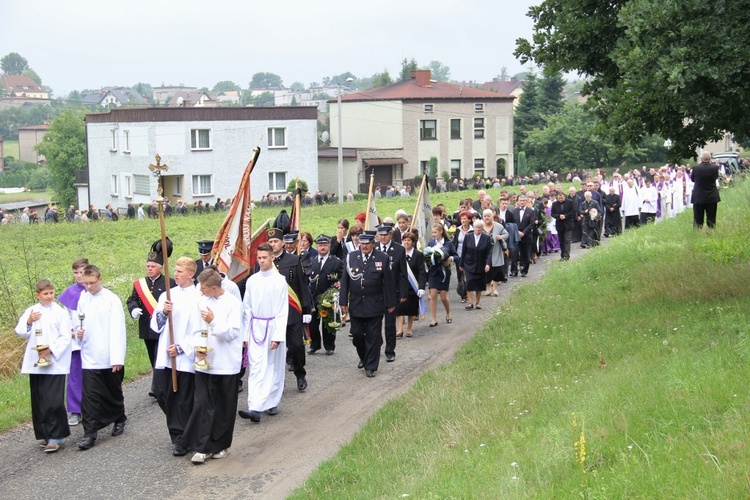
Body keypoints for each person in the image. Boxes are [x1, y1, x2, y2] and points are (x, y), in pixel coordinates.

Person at [182, 268, 242, 463]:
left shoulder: (233, 303)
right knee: (202, 404)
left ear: (215, 287)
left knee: (224, 406)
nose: (201, 291)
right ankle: (202, 447)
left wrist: (214, 321)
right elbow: (192, 330)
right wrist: (195, 348)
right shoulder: (201, 302)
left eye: (205, 288)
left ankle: (221, 444)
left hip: (225, 363)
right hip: (204, 362)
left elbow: (232, 333)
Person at [150, 257, 202, 457]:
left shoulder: (198, 297)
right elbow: (155, 326)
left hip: (184, 357)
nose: (176, 274)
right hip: (165, 355)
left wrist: (180, 348)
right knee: (163, 394)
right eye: (176, 271)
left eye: (180, 271)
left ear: (191, 274)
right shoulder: (166, 295)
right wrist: (163, 312)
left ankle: (181, 438)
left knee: (182, 399)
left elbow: (200, 330)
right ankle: (183, 429)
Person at [15, 279, 72, 453]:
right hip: (36, 362)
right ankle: (45, 434)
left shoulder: (60, 312)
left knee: (53, 401)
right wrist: (29, 322)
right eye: (45, 294)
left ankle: (56, 436)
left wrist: (51, 350)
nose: (49, 297)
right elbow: (20, 331)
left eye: (51, 293)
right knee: (39, 400)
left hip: (55, 362)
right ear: (37, 295)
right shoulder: (32, 311)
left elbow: (65, 337)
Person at [76, 265, 127, 450]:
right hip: (90, 354)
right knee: (89, 396)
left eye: (92, 283)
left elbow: (118, 329)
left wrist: (117, 358)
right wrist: (78, 332)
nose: (89, 287)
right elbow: (78, 321)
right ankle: (89, 433)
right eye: (86, 283)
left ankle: (119, 417)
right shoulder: (83, 298)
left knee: (112, 391)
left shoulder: (111, 299)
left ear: (100, 279)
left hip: (108, 354)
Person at [238, 243, 289, 423]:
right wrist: (245, 335)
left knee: (272, 367)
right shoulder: (252, 280)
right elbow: (247, 309)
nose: (261, 261)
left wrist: (277, 336)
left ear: (272, 257)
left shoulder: (279, 280)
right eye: (259, 258)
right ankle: (254, 407)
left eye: (264, 258)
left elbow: (283, 310)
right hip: (255, 328)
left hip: (272, 327)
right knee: (257, 368)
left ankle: (271, 401)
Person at [339, 230, 396, 378]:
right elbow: (345, 280)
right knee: (357, 335)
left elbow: (389, 282)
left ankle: (371, 366)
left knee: (373, 335)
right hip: (357, 303)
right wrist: (343, 301)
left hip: (375, 304)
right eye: (362, 244)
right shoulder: (351, 257)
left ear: (373, 244)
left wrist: (391, 302)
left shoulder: (382, 258)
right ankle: (364, 357)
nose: (364, 246)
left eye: (367, 244)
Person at [263, 228, 311, 391]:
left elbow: (302, 286)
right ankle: (275, 380)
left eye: (275, 241)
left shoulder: (294, 260)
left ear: (283, 243)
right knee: (272, 350)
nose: (273, 244)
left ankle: (300, 374)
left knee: (296, 346)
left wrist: (306, 310)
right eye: (270, 242)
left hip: (291, 312)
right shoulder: (263, 263)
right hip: (271, 315)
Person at [126, 240, 175, 397]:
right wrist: (133, 309)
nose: (149, 269)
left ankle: (158, 386)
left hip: (164, 325)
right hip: (147, 326)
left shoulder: (170, 283)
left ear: (160, 267)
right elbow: (132, 300)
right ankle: (158, 382)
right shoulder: (140, 284)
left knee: (160, 354)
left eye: (153, 267)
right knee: (151, 355)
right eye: (148, 266)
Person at [57, 257, 89, 427]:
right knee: (75, 376)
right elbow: (65, 316)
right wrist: (69, 330)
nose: (79, 276)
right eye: (76, 272)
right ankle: (75, 410)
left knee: (93, 376)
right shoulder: (69, 293)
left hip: (92, 341)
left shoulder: (95, 290)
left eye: (82, 272)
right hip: (75, 342)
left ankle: (93, 407)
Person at [376, 224, 408, 361]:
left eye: (385, 235)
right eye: (380, 235)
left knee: (389, 324)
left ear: (390, 235)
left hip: (391, 292)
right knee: (375, 324)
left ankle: (390, 350)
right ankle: (375, 348)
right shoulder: (374, 248)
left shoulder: (399, 249)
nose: (383, 237)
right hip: (376, 293)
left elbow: (402, 274)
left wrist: (403, 293)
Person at [308, 235, 343, 355]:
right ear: (316, 247)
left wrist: (340, 283)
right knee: (312, 323)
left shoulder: (336, 262)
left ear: (329, 246)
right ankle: (314, 345)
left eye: (324, 245)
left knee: (328, 323)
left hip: (328, 297)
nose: (322, 248)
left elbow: (343, 276)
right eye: (320, 245)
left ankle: (329, 346)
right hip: (313, 297)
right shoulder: (311, 261)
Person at [426, 223, 458, 326]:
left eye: (435, 232)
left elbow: (456, 256)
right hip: (433, 271)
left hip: (444, 272)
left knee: (443, 297)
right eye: (432, 232)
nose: (433, 234)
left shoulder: (448, 243)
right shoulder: (431, 243)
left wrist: (451, 259)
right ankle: (433, 319)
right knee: (433, 295)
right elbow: (427, 255)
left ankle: (448, 313)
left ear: (441, 232)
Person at [396, 232, 426, 338]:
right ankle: (399, 330)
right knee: (399, 309)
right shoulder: (399, 253)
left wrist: (421, 287)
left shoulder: (418, 255)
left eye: (409, 240)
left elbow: (422, 272)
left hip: (413, 286)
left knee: (411, 309)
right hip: (400, 286)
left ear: (413, 242)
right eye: (404, 240)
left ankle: (409, 329)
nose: (406, 242)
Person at [460, 220, 493, 310]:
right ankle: (470, 302)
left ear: (482, 229)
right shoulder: (468, 237)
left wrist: (488, 264)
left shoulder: (486, 238)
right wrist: (461, 264)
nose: (478, 229)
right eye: (476, 227)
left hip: (481, 264)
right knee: (469, 282)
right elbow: (464, 251)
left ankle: (478, 302)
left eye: (480, 228)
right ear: (473, 228)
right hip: (469, 263)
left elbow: (489, 253)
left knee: (479, 284)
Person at [691, 151, 721, 229]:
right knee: (711, 216)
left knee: (698, 217)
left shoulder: (695, 168)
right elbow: (716, 178)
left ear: (701, 159)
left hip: (699, 196)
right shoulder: (715, 168)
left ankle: (698, 230)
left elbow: (693, 180)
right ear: (710, 159)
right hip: (711, 195)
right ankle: (710, 230)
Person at [482, 209, 508, 296]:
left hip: (496, 251)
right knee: (486, 271)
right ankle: (488, 289)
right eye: (485, 216)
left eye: (488, 216)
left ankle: (495, 289)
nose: (487, 218)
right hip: (485, 253)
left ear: (492, 217)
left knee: (496, 271)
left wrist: (500, 237)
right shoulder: (481, 226)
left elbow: (506, 234)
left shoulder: (498, 226)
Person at [451, 211, 473, 304]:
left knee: (468, 275)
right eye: (462, 219)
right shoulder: (458, 230)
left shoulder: (472, 230)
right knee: (460, 275)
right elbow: (455, 243)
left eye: (465, 219)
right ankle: (463, 295)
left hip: (470, 256)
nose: (463, 220)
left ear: (469, 220)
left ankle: (469, 293)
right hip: (459, 255)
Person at [515, 195, 538, 277]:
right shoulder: (514, 211)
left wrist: (523, 233)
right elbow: (513, 223)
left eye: (523, 200)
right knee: (515, 253)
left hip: (527, 236)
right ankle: (515, 270)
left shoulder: (530, 211)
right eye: (520, 200)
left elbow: (531, 224)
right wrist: (517, 232)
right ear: (518, 201)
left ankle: (525, 270)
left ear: (526, 201)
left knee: (526, 254)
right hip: (516, 235)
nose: (522, 202)